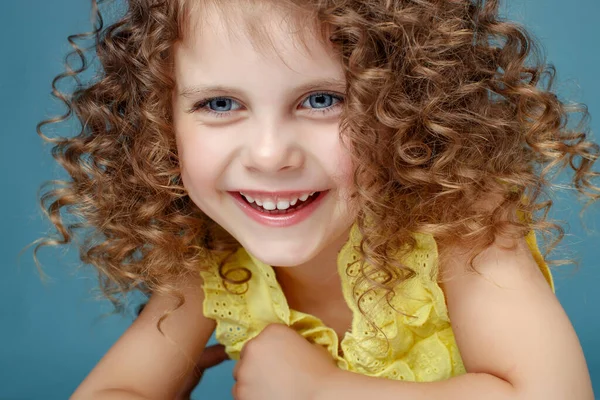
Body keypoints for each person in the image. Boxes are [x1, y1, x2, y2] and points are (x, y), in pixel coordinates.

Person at [33, 0, 598, 399]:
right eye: (221, 104)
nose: (270, 154)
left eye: (323, 99)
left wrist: (326, 391)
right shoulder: (212, 254)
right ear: (160, 123)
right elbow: (113, 389)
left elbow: (558, 393)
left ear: (407, 105)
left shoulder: (459, 221)